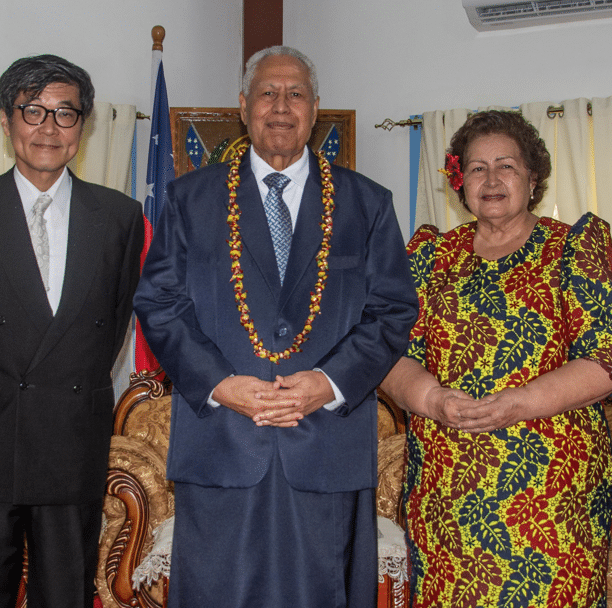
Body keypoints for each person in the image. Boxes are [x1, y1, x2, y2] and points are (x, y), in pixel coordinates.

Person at [134, 46, 417, 607]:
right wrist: (219, 384)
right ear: (243, 106)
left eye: (295, 94)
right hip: (222, 443)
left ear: (315, 110)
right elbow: (159, 303)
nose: (281, 106)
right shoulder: (189, 199)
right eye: (267, 93)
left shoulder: (367, 204)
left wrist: (328, 384)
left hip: (327, 447)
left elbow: (392, 310)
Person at [380, 110, 612, 607]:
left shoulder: (572, 249)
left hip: (551, 494)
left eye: (507, 166)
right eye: (478, 167)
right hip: (446, 491)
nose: (492, 179)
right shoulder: (430, 256)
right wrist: (432, 399)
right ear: (461, 181)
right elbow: (389, 355)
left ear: (532, 176)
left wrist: (517, 404)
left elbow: (611, 357)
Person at [0, 54, 143, 608]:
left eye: (65, 114)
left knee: (66, 595)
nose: (48, 127)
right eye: (33, 111)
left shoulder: (119, 216)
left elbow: (109, 327)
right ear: (6, 120)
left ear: (83, 127)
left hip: (72, 440)